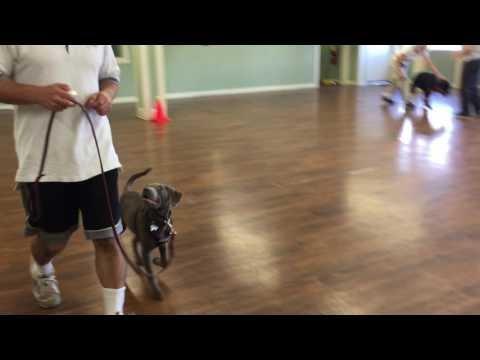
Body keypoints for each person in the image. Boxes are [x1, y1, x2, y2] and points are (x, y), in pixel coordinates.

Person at [0, 45, 127, 315]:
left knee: (109, 239)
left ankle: (114, 311)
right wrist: (38, 94)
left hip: (98, 155)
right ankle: (42, 268)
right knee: (54, 240)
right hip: (44, 163)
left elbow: (110, 76)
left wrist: (106, 95)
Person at [454, 45, 480, 117]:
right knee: (472, 87)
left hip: (471, 62)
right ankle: (478, 109)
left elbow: (468, 49)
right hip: (476, 61)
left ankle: (466, 112)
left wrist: (458, 54)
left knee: (465, 87)